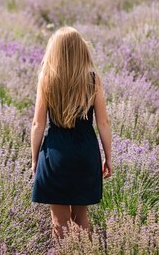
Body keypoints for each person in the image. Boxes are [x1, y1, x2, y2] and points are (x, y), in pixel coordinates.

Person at [30, 26, 113, 243]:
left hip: (56, 153)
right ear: (81, 50)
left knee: (59, 221)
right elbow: (103, 122)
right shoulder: (93, 79)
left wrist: (35, 160)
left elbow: (38, 124)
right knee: (81, 218)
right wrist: (108, 157)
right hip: (86, 152)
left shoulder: (46, 78)